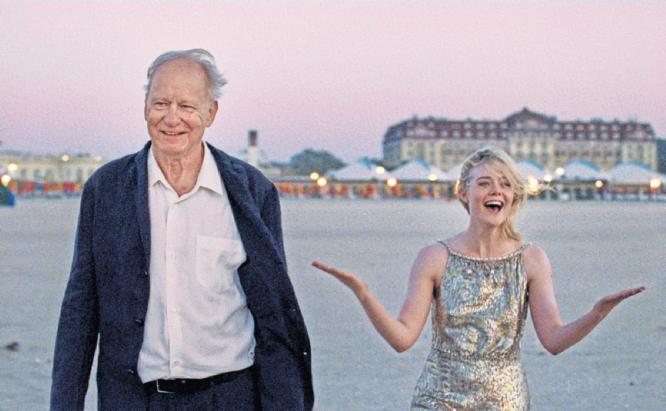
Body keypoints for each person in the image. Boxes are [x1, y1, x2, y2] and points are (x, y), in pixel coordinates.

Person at [51, 49, 313, 410]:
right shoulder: (106, 189)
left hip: (231, 397)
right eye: (161, 103)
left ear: (211, 113)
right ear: (145, 108)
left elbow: (273, 313)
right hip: (136, 399)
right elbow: (80, 307)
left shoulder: (253, 192)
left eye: (187, 106)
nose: (171, 118)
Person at [312, 147, 644, 410]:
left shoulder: (532, 260)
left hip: (505, 400)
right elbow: (402, 339)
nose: (496, 190)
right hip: (438, 398)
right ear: (463, 193)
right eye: (484, 183)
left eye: (505, 184)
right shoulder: (434, 257)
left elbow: (554, 341)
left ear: (513, 196)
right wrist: (363, 293)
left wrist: (597, 313)